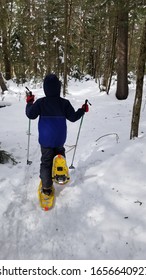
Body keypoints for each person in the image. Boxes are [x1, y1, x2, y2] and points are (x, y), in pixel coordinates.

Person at [26, 73, 89, 197]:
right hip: (60, 139)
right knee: (60, 156)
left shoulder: (40, 103)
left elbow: (30, 115)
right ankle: (60, 174)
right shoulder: (64, 103)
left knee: (46, 162)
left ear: (45, 88)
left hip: (45, 139)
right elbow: (73, 117)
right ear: (58, 88)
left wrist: (29, 102)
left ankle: (47, 188)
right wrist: (82, 110)